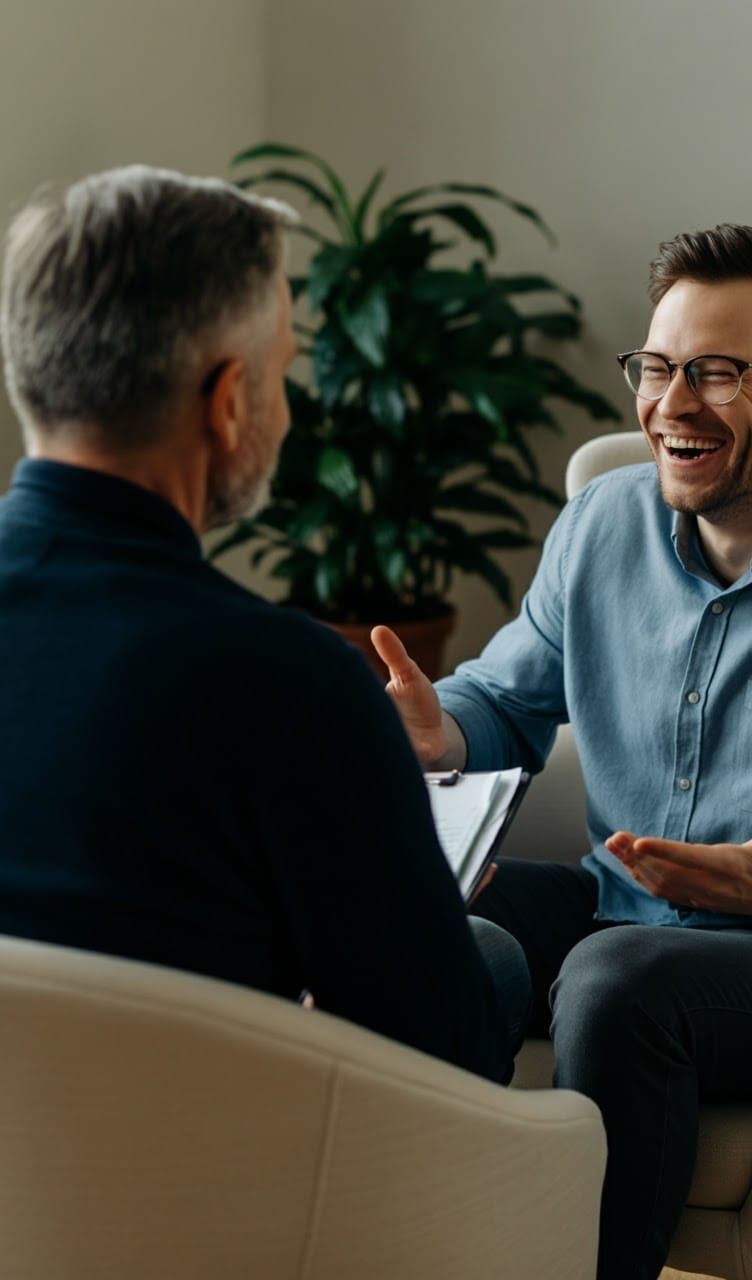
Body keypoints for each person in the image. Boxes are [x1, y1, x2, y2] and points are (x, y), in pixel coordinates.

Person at [372, 224, 752, 1278]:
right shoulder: (601, 522)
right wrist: (442, 728)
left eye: (715, 372)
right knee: (394, 904)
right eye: (655, 368)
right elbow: (504, 698)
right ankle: (421, 1246)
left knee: (615, 977)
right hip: (617, 901)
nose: (669, 403)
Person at [0, 164, 530, 1085]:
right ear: (230, 400)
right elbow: (439, 1063)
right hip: (197, 1194)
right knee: (490, 962)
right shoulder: (287, 683)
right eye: (285, 369)